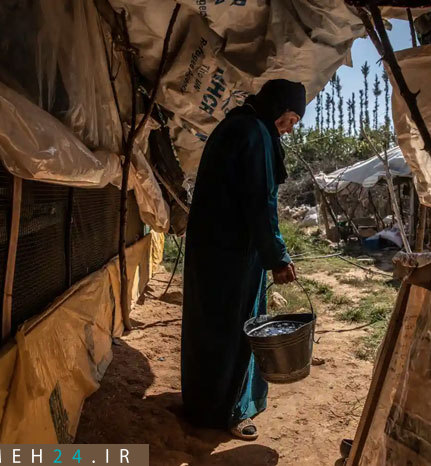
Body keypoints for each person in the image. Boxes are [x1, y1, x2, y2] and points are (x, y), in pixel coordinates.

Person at [181, 79, 306, 440]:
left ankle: (201, 404)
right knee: (237, 327)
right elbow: (260, 200)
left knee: (208, 324)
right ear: (278, 108)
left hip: (210, 248)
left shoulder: (234, 124)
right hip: (235, 252)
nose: (290, 127)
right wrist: (277, 256)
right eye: (291, 118)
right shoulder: (255, 133)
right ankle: (230, 411)